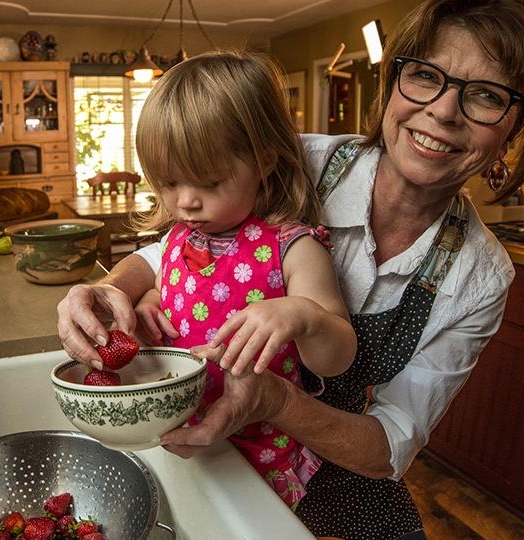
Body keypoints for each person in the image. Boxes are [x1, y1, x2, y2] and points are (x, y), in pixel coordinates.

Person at [57, 0, 524, 537]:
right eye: (424, 75)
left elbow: (388, 445)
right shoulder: (297, 161)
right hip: (202, 434)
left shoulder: (478, 278)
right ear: (393, 83)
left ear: (516, 131)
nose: (442, 111)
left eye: (485, 95)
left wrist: (273, 399)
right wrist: (109, 288)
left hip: (329, 456)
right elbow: (178, 249)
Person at [129, 50, 358, 507]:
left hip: (261, 451)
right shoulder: (178, 238)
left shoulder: (293, 247)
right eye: (169, 183)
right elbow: (178, 289)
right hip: (181, 434)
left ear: (265, 160)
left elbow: (338, 357)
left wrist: (304, 315)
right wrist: (153, 300)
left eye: (209, 183)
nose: (186, 202)